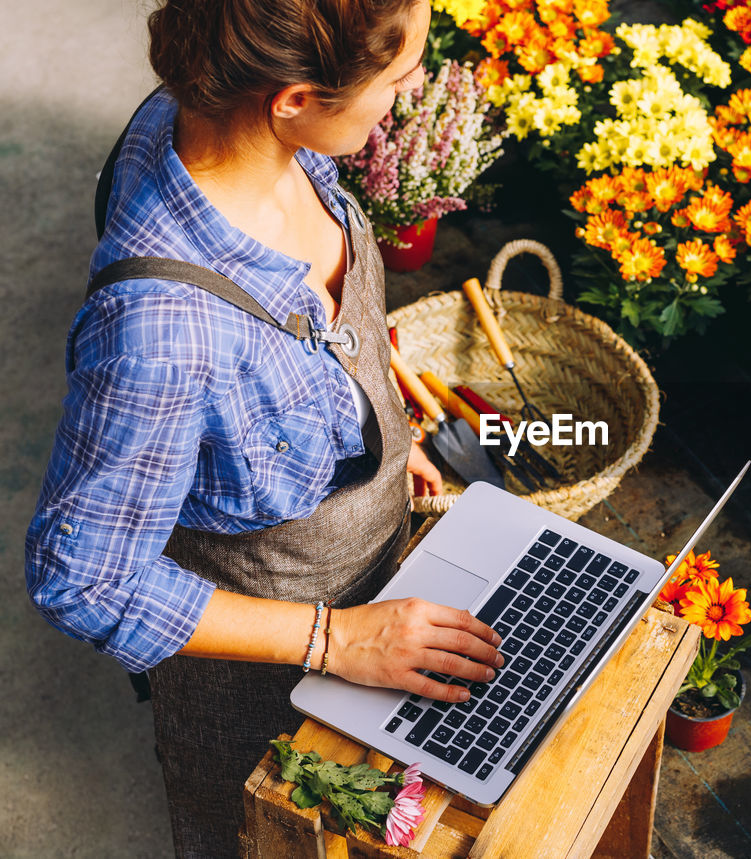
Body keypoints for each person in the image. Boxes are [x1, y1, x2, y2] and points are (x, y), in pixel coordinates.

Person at [24, 1, 504, 855]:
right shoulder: (161, 334)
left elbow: (301, 328)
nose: (411, 93)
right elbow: (82, 578)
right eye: (396, 80)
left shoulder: (223, 106)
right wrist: (337, 639)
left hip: (375, 589)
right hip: (261, 687)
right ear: (293, 97)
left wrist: (379, 425)